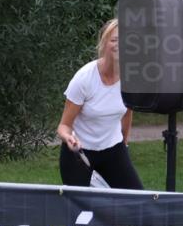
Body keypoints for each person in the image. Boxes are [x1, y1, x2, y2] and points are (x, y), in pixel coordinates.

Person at [57, 19, 143, 190]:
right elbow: (63, 126)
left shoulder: (132, 77)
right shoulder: (84, 78)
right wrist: (69, 138)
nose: (120, 45)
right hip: (79, 153)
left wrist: (124, 144)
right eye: (114, 40)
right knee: (78, 208)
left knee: (138, 201)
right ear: (104, 44)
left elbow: (127, 112)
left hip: (113, 150)